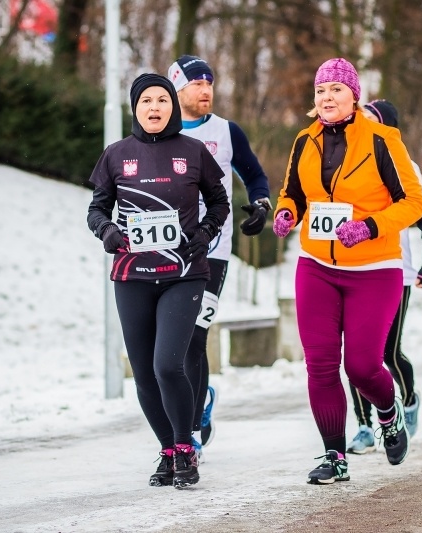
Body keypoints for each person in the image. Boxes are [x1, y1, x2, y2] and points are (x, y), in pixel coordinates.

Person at [272, 58, 422, 484]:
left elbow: (413, 202)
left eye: (336, 89)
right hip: (316, 266)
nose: (327, 97)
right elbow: (292, 193)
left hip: (374, 269)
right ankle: (334, 455)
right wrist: (286, 213)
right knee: (320, 365)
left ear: (354, 95)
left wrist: (370, 226)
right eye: (321, 90)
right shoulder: (304, 140)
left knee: (361, 366)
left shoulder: (382, 139)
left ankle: (389, 413)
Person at [86, 73, 229, 488]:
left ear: (172, 106)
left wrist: (204, 234)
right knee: (145, 374)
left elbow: (219, 202)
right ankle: (168, 451)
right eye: (146, 100)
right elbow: (96, 210)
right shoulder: (116, 154)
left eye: (162, 100)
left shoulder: (193, 150)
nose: (154, 107)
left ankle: (186, 447)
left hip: (183, 274)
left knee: (167, 364)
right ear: (135, 108)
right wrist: (108, 231)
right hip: (131, 276)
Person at [167, 55, 272, 456]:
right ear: (178, 88)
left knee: (195, 338)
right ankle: (197, 402)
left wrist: (260, 204)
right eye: (197, 83)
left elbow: (255, 175)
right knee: (171, 343)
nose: (206, 89)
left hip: (214, 250)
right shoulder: (162, 131)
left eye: (209, 82)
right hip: (168, 250)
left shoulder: (227, 132)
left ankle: (191, 430)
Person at [346, 99, 422, 454]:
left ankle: (408, 399)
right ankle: (364, 427)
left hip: (393, 271)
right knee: (355, 355)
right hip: (349, 267)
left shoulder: (405, 165)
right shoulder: (343, 157)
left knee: (387, 352)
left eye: (370, 119)